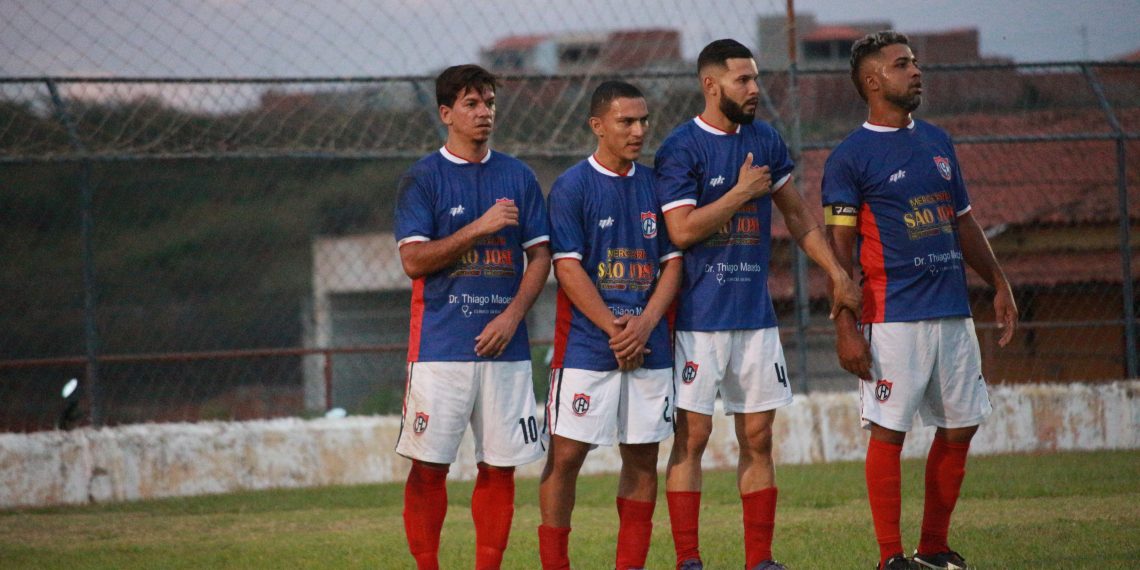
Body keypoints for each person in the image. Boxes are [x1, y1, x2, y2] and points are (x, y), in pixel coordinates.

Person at [655, 39, 862, 570]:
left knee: (759, 437)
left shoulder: (765, 139)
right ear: (711, 85)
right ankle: (689, 560)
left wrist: (836, 272)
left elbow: (797, 217)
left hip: (754, 318)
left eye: (755, 79)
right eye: (743, 80)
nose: (754, 89)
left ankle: (760, 561)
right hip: (697, 319)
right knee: (693, 437)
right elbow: (680, 230)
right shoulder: (681, 148)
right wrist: (742, 193)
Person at [822, 31, 1019, 570]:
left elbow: (961, 222)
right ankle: (891, 558)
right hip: (893, 318)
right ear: (872, 80)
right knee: (891, 429)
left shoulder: (938, 141)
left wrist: (998, 283)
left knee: (961, 426)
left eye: (914, 62)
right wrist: (844, 326)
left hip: (953, 312)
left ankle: (933, 547)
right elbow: (840, 256)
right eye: (902, 64)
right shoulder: (849, 158)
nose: (916, 71)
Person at [393, 63, 551, 570]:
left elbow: (541, 256)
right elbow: (414, 260)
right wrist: (478, 229)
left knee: (500, 468)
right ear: (446, 114)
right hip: (441, 350)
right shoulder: (423, 178)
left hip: (506, 350)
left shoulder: (518, 176)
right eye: (471, 104)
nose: (484, 113)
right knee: (428, 468)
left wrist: (511, 317)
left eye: (489, 103)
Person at [537, 80, 682, 570]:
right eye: (627, 121)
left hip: (649, 344)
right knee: (565, 460)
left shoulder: (658, 183)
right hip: (587, 348)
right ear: (597, 125)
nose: (639, 130)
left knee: (642, 461)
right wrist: (616, 330)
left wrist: (643, 326)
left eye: (644, 121)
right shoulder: (573, 186)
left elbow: (673, 263)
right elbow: (568, 268)